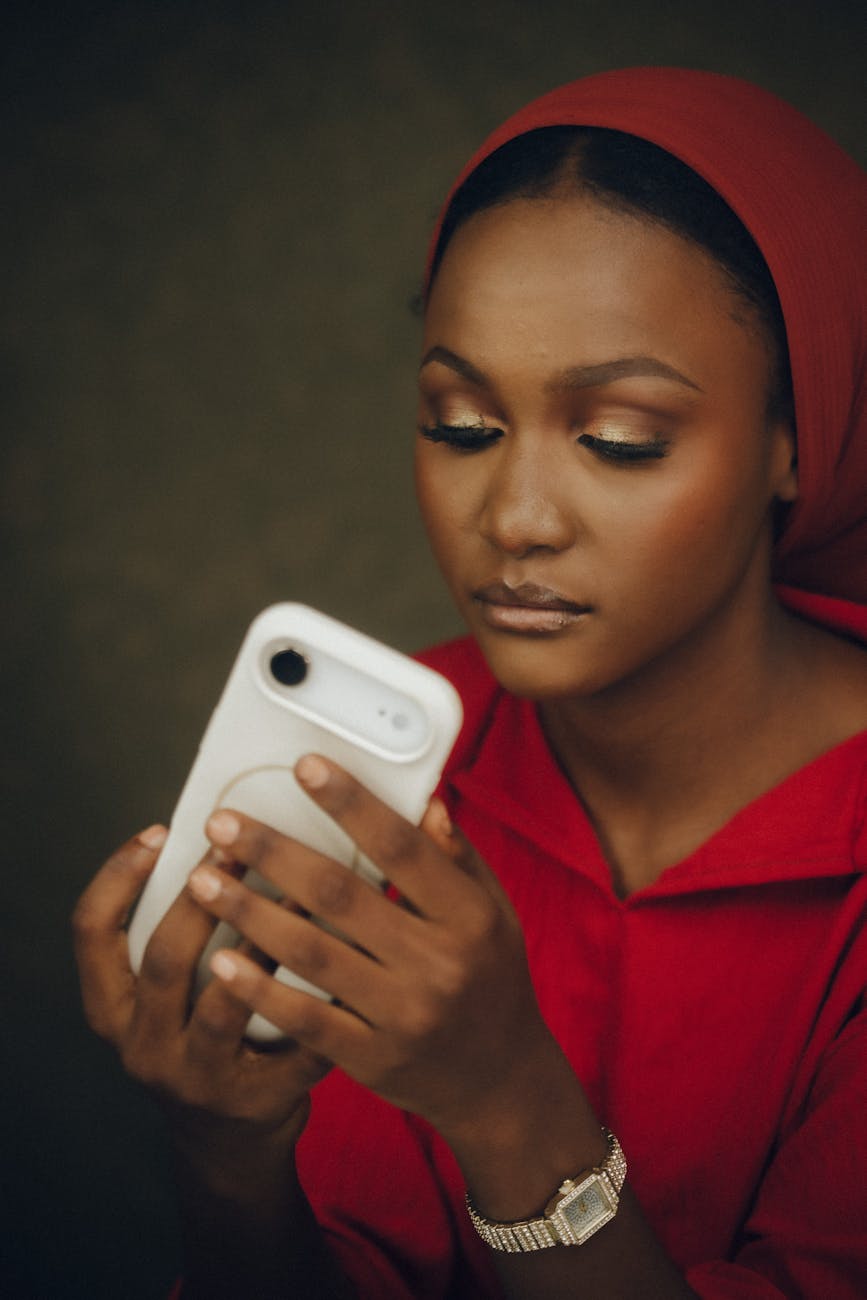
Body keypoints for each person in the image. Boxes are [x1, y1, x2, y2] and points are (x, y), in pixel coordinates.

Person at [73, 67, 867, 1299]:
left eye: (619, 439)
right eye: (459, 422)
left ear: (797, 439)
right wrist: (226, 1149)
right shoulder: (383, 786)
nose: (515, 516)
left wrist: (506, 1105)